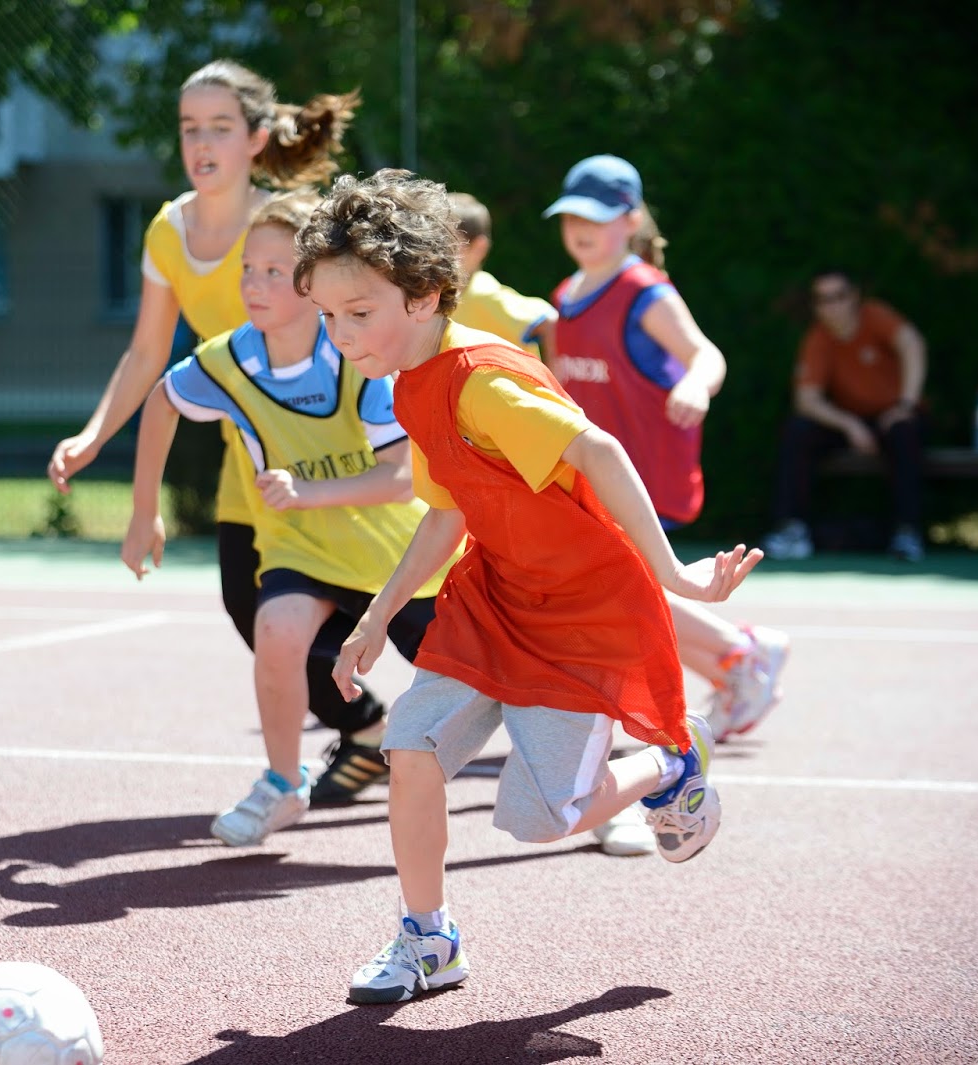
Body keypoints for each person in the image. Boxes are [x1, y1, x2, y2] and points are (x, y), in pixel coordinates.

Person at [294, 170, 762, 1004]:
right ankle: (428, 938)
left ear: (428, 294)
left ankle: (669, 759)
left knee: (542, 817)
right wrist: (376, 617)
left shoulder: (480, 379)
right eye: (327, 315)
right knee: (411, 747)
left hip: (580, 609)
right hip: (496, 597)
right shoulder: (408, 381)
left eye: (358, 312)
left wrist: (676, 575)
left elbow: (601, 452)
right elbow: (444, 513)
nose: (339, 334)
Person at [46, 62, 387, 803]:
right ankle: (364, 729)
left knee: (384, 608)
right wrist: (97, 434)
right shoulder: (169, 230)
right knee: (253, 614)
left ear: (256, 138)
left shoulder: (285, 224)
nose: (201, 143)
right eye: (189, 128)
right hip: (254, 457)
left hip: (334, 451)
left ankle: (487, 729)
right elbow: (147, 353)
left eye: (220, 128)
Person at [121, 191, 454, 846]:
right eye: (248, 268)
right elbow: (161, 402)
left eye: (275, 271)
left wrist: (305, 491)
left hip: (400, 557)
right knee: (275, 626)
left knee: (499, 682)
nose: (253, 283)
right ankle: (281, 781)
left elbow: (400, 478)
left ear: (315, 286)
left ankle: (591, 773)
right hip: (299, 547)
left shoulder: (360, 361)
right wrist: (142, 512)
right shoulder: (228, 360)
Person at [543, 155, 791, 745]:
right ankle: (740, 659)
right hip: (592, 474)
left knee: (616, 591)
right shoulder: (566, 294)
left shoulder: (645, 294)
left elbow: (707, 355)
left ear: (630, 220)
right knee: (623, 592)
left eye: (597, 217)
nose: (581, 228)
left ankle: (737, 658)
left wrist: (692, 383)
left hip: (645, 471)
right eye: (572, 215)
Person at [450, 189, 656, 859]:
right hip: (476, 534)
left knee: (607, 621)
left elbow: (543, 319)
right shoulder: (397, 346)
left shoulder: (497, 313)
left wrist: (555, 379)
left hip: (548, 500)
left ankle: (619, 786)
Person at [763, 269, 928, 562]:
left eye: (838, 297)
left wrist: (906, 405)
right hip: (850, 420)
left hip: (894, 415)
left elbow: (912, 344)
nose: (831, 306)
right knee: (797, 431)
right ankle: (792, 530)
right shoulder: (819, 338)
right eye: (822, 300)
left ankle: (908, 532)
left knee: (906, 432)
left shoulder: (875, 317)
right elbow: (806, 400)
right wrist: (850, 425)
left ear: (854, 297)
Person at [446, 193, 556, 359]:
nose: (436, 251)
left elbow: (550, 322)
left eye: (448, 243)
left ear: (479, 247)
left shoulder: (483, 294)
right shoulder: (443, 296)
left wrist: (557, 381)